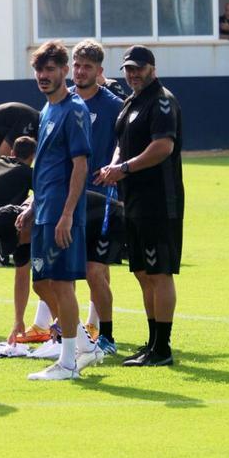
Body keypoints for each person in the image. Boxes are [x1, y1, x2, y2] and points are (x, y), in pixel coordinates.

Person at [14, 41, 101, 380]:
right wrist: (34, 203)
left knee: (62, 285)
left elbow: (80, 165)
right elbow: (45, 166)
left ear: (65, 70)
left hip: (63, 213)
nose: (44, 76)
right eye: (39, 70)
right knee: (42, 284)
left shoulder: (74, 109)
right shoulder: (47, 110)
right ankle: (85, 344)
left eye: (50, 69)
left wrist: (67, 214)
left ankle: (67, 364)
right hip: (45, 208)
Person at [95, 45, 184, 367]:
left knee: (159, 272)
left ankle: (163, 347)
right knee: (143, 272)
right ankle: (153, 344)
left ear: (152, 68)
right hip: (132, 199)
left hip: (159, 199)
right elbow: (122, 142)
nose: (133, 74)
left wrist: (126, 168)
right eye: (129, 69)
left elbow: (162, 146)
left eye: (139, 68)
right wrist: (113, 166)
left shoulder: (161, 101)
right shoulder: (132, 101)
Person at [0, 189, 124, 349]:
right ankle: (66, 331)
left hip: (105, 218)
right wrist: (18, 320)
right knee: (40, 283)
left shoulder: (47, 214)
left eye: (16, 240)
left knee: (93, 273)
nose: (19, 245)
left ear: (20, 225)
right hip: (79, 228)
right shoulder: (25, 234)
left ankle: (106, 337)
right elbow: (21, 278)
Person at [70, 40, 124, 355]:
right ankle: (73, 332)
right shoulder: (63, 103)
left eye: (88, 66)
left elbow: (126, 145)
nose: (81, 71)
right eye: (77, 65)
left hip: (104, 199)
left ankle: (105, 335)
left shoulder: (114, 106)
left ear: (99, 71)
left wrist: (116, 169)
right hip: (69, 199)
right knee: (69, 269)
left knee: (95, 269)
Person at [0, 136, 35, 268]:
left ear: (12, 152)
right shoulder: (26, 172)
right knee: (36, 203)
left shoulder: (0, 161)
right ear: (32, 156)